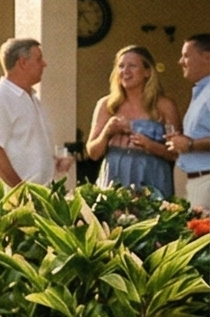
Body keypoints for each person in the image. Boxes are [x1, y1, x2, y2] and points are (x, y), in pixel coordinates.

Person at [0, 37, 73, 194]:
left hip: (36, 199)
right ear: (22, 63)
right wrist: (21, 190)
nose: (44, 64)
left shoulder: (33, 100)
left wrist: (52, 163)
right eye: (39, 59)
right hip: (8, 203)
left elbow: (26, 148)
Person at [85, 43, 177, 198]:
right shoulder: (106, 105)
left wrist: (150, 146)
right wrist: (107, 132)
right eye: (121, 66)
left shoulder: (164, 105)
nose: (125, 71)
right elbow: (93, 153)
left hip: (152, 179)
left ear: (147, 72)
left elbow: (176, 153)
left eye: (132, 66)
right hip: (114, 179)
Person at [171, 33, 210, 211]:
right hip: (191, 181)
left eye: (186, 55)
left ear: (207, 57)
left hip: (205, 181)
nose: (181, 61)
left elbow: (191, 143)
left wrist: (190, 144)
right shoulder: (201, 91)